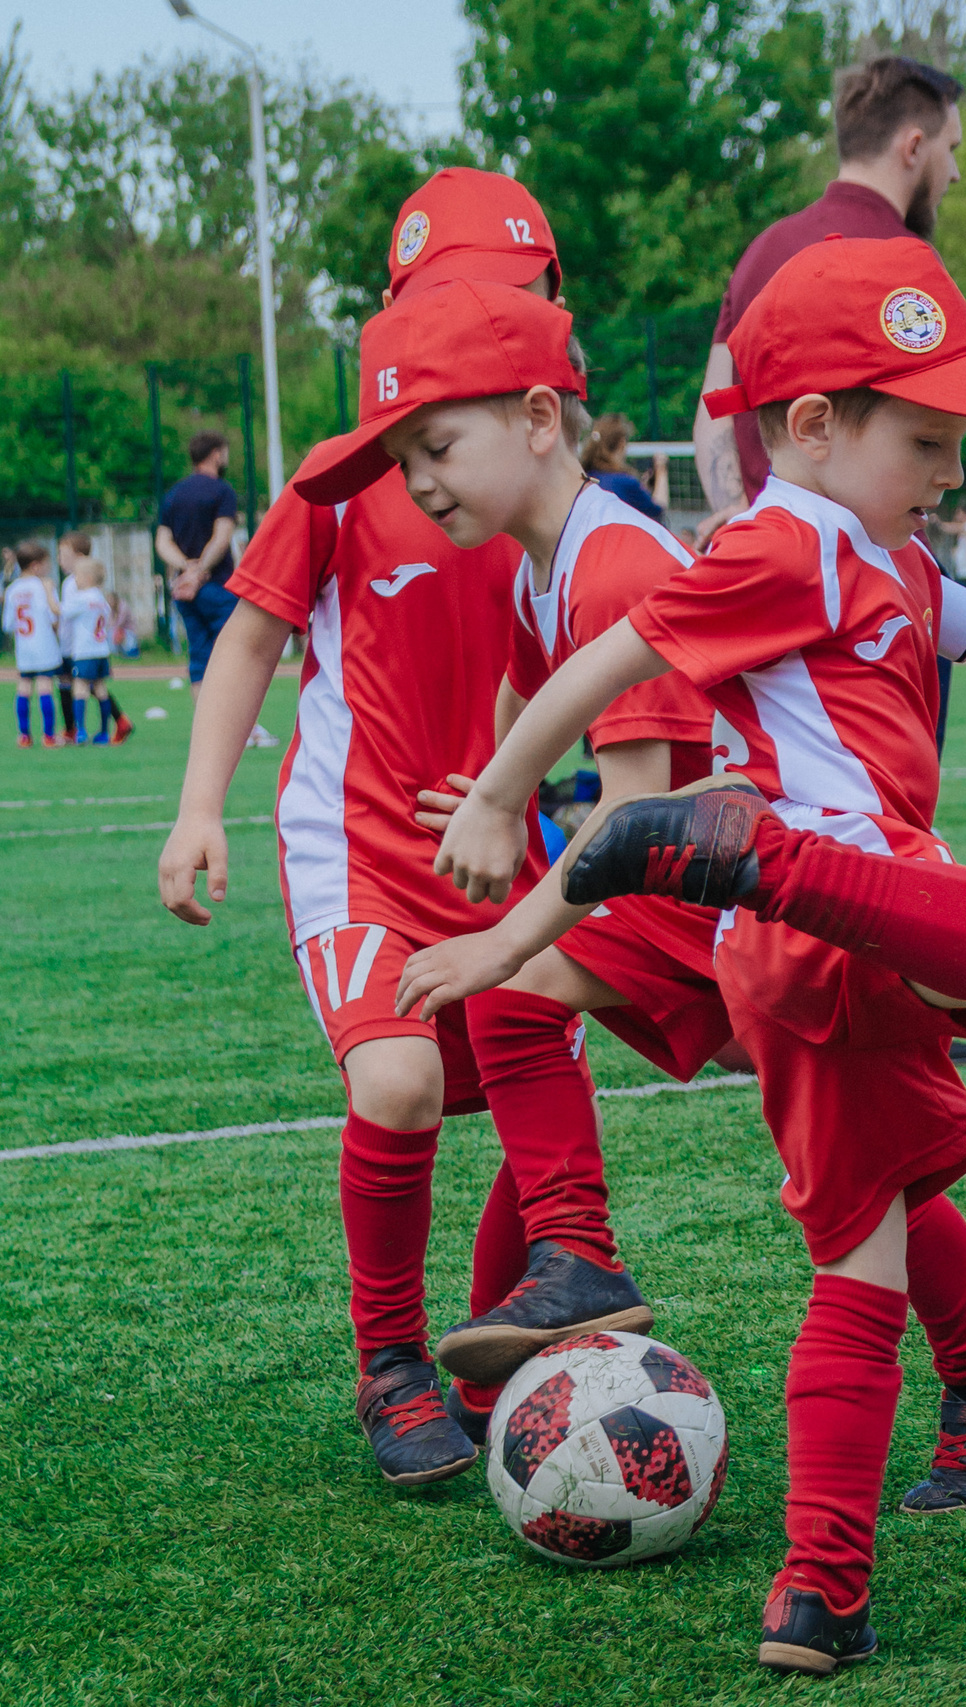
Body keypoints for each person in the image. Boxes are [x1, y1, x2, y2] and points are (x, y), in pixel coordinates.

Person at [424, 235, 966, 1674]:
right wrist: (516, 797)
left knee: (861, 1250)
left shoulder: (879, 546)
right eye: (930, 441)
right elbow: (614, 661)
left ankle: (821, 1588)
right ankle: (778, 857)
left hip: (791, 963)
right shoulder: (787, 540)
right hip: (837, 897)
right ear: (814, 428)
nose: (951, 473)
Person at [156, 168, 630, 1491]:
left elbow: (571, 662)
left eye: (512, 300)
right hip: (359, 851)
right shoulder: (347, 482)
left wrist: (541, 785)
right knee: (404, 1082)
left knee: (538, 1069)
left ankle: (510, 1345)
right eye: (450, 303)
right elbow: (249, 637)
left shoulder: (556, 494)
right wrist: (202, 807)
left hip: (497, 849)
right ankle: (391, 1363)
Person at [694, 56, 965, 533]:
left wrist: (740, 513)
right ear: (915, 147)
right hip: (876, 572)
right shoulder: (910, 265)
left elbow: (717, 406)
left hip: (775, 556)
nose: (956, 172)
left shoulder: (761, 251)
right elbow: (930, 426)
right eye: (952, 148)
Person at [157, 433, 264, 743]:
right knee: (238, 656)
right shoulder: (222, 491)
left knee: (200, 659)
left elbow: (163, 541)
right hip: (216, 587)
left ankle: (208, 734)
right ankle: (248, 731)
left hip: (185, 591)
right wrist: (201, 570)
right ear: (216, 455)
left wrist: (185, 569)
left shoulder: (174, 494)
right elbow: (222, 536)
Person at [58, 551, 126, 744]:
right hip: (101, 650)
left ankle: (80, 731)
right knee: (100, 688)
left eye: (77, 576)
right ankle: (104, 732)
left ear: (87, 578)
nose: (75, 580)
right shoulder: (101, 599)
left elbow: (62, 612)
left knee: (80, 688)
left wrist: (48, 595)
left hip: (84, 651)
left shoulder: (82, 597)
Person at [7, 542, 63, 747]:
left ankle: (24, 735)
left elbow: (8, 624)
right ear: (36, 566)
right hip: (44, 645)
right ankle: (48, 736)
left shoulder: (12, 589)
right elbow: (53, 617)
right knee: (45, 686)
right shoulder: (44, 586)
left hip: (24, 647)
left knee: (23, 687)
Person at [581, 413, 669, 521]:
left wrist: (641, 490)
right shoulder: (625, 482)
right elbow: (659, 509)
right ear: (622, 443)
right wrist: (661, 469)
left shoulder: (586, 478)